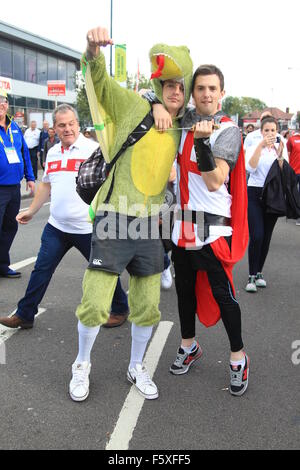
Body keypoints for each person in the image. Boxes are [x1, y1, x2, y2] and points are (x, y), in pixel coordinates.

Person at [68, 26, 193, 402]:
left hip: (150, 224)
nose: (174, 91)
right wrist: (92, 49)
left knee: (147, 306)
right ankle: (81, 364)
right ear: (157, 85)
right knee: (95, 301)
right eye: (167, 85)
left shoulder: (182, 125)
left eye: (179, 85)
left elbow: (209, 112)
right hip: (112, 215)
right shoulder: (136, 106)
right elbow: (101, 83)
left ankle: (136, 366)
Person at [152, 64, 250, 396]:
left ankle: (238, 356)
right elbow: (153, 95)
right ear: (194, 94)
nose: (206, 94)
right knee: (185, 293)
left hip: (213, 229)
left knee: (224, 296)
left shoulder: (228, 131)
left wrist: (204, 143)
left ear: (222, 93)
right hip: (182, 227)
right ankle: (188, 345)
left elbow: (214, 181)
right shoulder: (184, 124)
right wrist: (154, 104)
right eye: (200, 89)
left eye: (212, 88)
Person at [0, 104, 128, 329]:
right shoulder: (53, 152)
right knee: (41, 269)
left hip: (87, 228)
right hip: (56, 227)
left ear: (78, 125)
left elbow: (112, 184)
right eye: (62, 125)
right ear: (55, 129)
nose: (67, 129)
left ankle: (119, 308)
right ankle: (25, 314)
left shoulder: (94, 150)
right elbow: (46, 185)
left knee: (103, 269)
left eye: (71, 124)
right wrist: (31, 210)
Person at [245, 116, 287, 292]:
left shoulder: (280, 148)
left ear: (277, 131)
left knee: (267, 236)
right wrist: (261, 145)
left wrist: (280, 155)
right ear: (261, 132)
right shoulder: (255, 145)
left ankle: (259, 272)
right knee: (257, 235)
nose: (270, 133)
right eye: (266, 130)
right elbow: (250, 168)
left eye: (273, 130)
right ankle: (251, 275)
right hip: (254, 193)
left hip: (273, 195)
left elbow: (284, 173)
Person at [0, 88, 35, 279]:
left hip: (14, 187)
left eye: (4, 100)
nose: (1, 104)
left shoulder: (14, 127)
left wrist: (30, 178)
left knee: (9, 228)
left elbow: (25, 154)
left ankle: (2, 265)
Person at [287, 129, 300, 225]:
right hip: (294, 170)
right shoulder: (292, 139)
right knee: (293, 193)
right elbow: (287, 153)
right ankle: (292, 211)